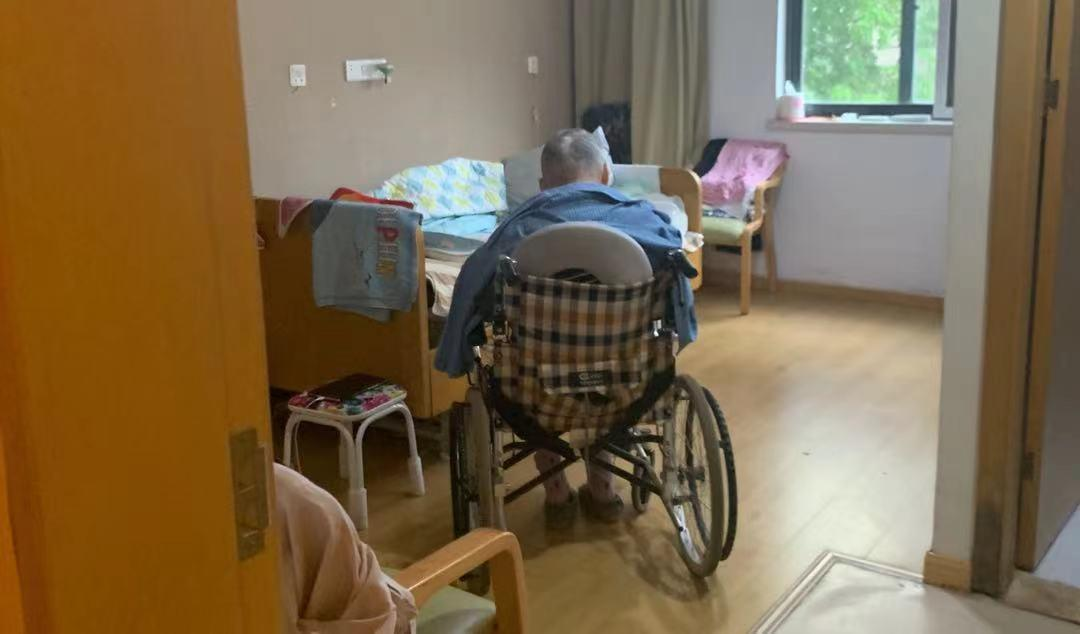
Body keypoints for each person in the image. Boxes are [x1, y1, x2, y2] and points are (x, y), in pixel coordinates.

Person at [435, 128, 697, 527]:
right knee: (610, 371)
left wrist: (458, 351)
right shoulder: (646, 223)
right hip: (624, 375)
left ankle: (557, 494)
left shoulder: (516, 231)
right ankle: (603, 490)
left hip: (538, 382)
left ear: (543, 185)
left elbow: (473, 289)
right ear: (605, 175)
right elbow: (676, 280)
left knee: (527, 371)